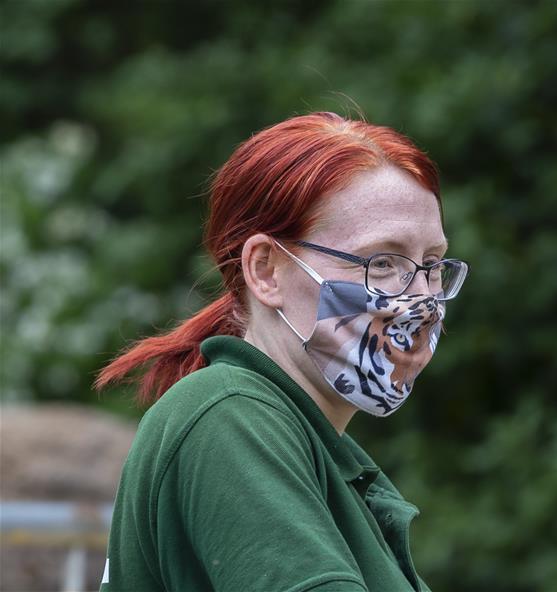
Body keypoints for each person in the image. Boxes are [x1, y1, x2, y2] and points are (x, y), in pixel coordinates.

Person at [95, 112, 468, 592]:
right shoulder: (227, 417)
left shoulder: (318, 453)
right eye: (384, 262)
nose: (419, 297)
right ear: (266, 270)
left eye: (432, 264)